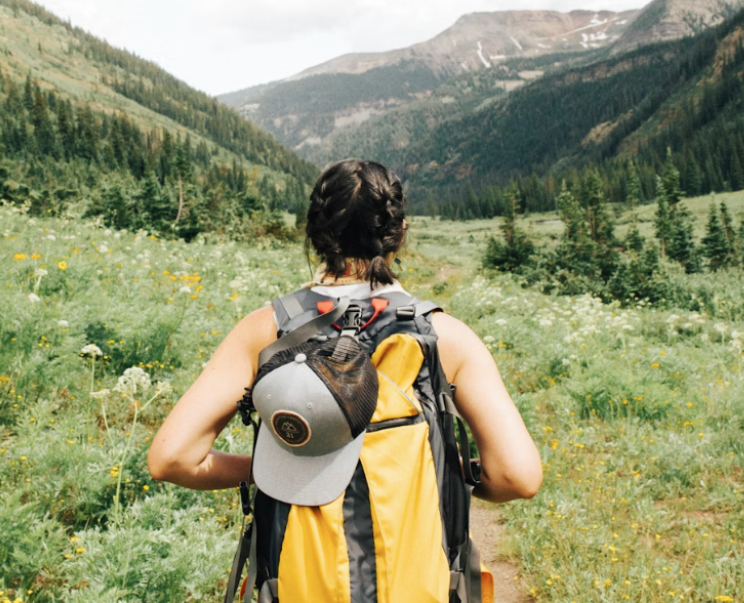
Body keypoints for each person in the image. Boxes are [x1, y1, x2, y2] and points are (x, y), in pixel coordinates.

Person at [148, 159, 542, 601]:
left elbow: (171, 458)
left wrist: (265, 470)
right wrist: (447, 472)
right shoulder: (444, 337)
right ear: (400, 232)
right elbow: (518, 477)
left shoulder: (266, 331)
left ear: (315, 233)